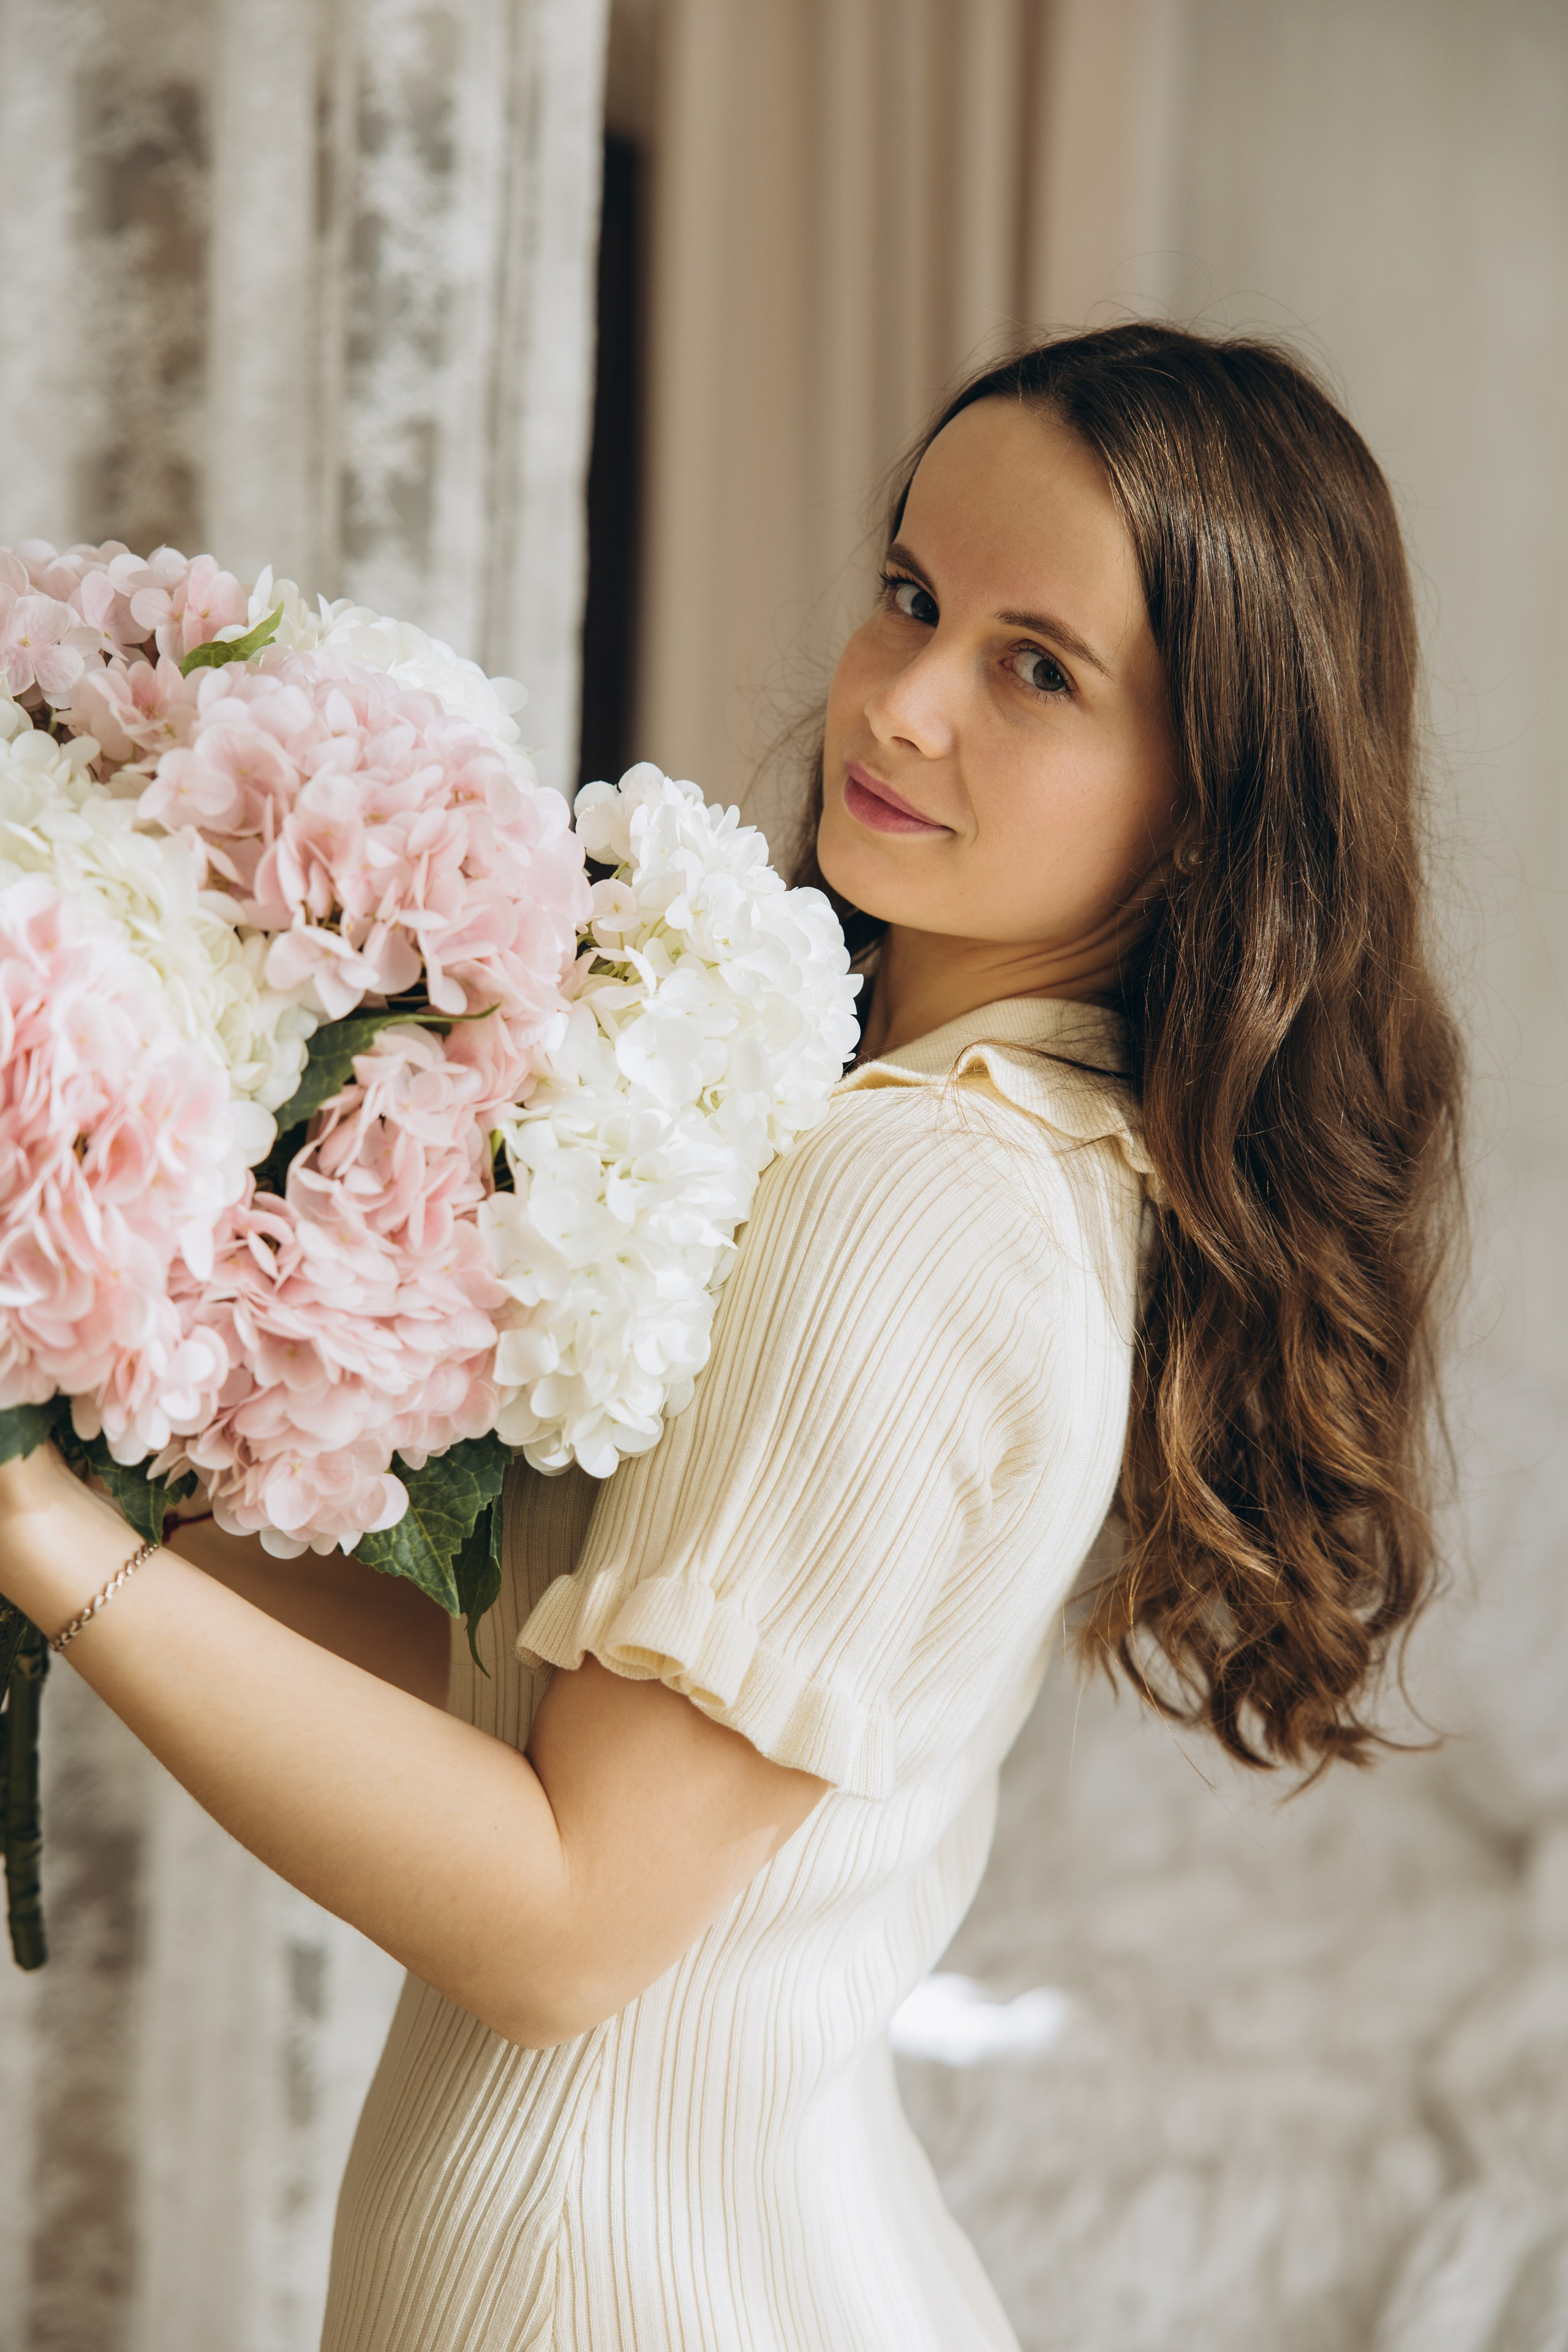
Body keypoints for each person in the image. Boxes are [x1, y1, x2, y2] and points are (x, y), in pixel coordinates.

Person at [0, 324, 1462, 2349]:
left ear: (1212, 800)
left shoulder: (919, 1200)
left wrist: (41, 1542)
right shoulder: (999, 1145)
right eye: (912, 596)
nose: (903, 700)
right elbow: (506, 1692)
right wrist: (91, 1455)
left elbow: (567, 1926)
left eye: (1038, 669)